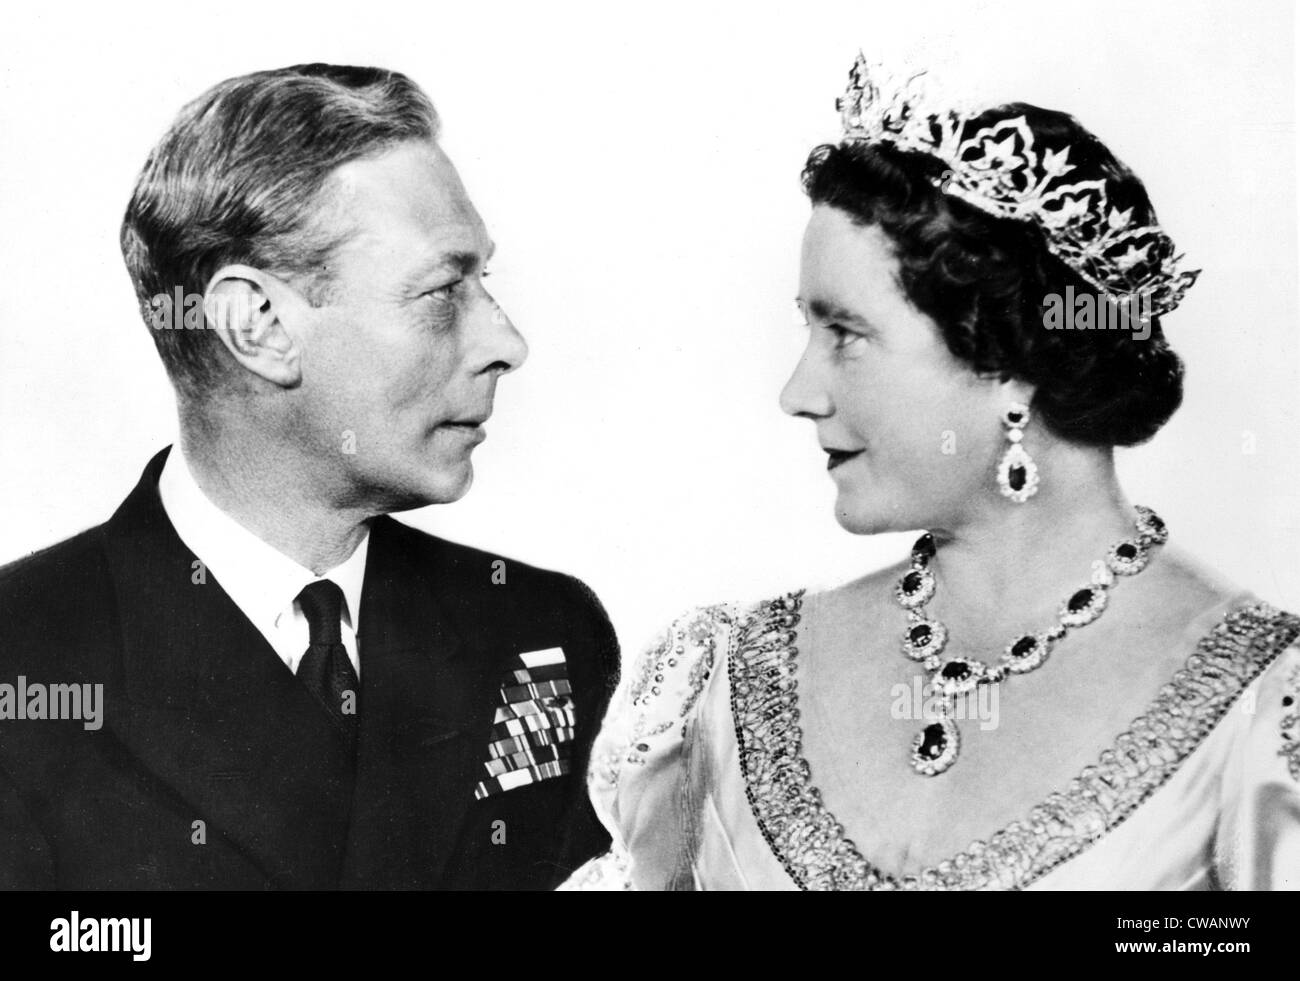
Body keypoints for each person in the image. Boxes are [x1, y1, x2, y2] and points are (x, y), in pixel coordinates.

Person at [564, 56, 1300, 890]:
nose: (798, 393)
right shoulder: (718, 686)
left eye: (846, 332)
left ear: (1013, 357)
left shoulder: (1266, 719)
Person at [0, 64, 618, 889]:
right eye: (442, 291)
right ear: (258, 325)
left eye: (486, 283)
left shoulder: (541, 630)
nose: (505, 342)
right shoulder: (22, 660)